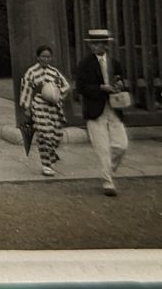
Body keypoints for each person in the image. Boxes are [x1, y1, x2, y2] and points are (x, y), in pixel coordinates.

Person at [73, 28, 130, 196]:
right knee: (102, 147)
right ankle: (107, 181)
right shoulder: (84, 64)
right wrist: (100, 87)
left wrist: (119, 86)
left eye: (99, 44)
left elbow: (121, 81)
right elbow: (81, 87)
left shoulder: (115, 63)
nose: (95, 47)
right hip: (95, 109)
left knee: (121, 145)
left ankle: (108, 170)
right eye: (93, 44)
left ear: (106, 45)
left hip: (113, 107)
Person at [19, 45, 71, 177]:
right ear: (38, 57)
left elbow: (66, 85)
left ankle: (51, 156)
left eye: (48, 57)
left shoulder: (54, 72)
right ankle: (46, 165)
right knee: (44, 134)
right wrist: (27, 108)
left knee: (56, 134)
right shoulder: (31, 72)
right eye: (43, 56)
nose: (45, 59)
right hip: (38, 106)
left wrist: (58, 95)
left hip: (53, 107)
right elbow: (26, 90)